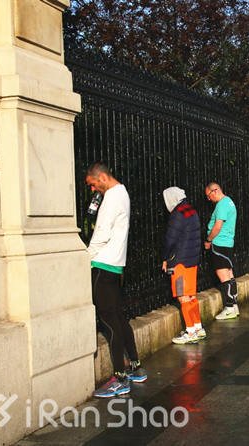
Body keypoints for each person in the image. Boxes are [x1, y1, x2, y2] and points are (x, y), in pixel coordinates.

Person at [85, 162, 146, 398]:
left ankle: (120, 378)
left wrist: (84, 258)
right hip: (116, 264)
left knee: (109, 321)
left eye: (92, 185)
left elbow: (101, 233)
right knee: (119, 318)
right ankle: (136, 366)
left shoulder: (111, 197)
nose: (92, 190)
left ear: (101, 177)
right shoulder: (123, 193)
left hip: (102, 264)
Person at [162, 187, 205, 345]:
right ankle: (198, 327)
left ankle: (190, 330)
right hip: (192, 260)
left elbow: (170, 240)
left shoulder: (177, 214)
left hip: (179, 261)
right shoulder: (191, 211)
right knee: (191, 295)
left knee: (182, 296)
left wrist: (165, 258)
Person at [204, 182, 239, 320]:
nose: (208, 199)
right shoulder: (229, 201)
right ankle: (234, 305)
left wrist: (208, 239)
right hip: (228, 242)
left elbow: (218, 226)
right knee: (230, 274)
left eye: (208, 195)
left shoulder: (222, 204)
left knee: (223, 275)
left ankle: (229, 307)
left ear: (215, 191)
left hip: (219, 243)